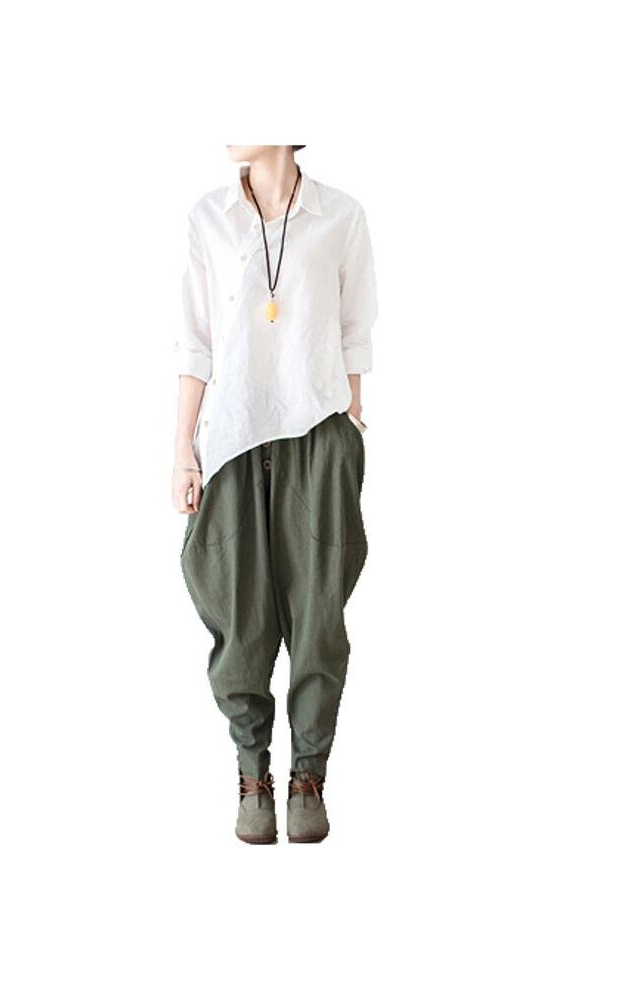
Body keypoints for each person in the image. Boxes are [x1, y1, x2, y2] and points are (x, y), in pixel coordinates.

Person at [172, 144, 377, 844]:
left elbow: (355, 330)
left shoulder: (340, 216)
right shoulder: (209, 218)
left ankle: (308, 776)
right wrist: (182, 450)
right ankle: (252, 772)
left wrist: (351, 422)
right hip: (232, 438)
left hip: (316, 432)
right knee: (240, 615)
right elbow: (194, 341)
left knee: (319, 614)